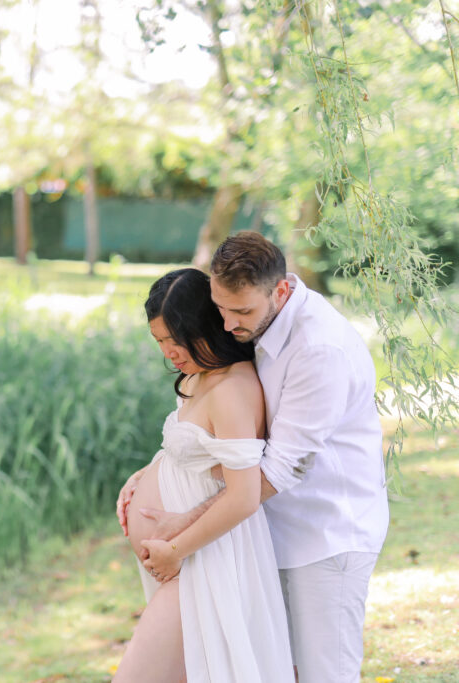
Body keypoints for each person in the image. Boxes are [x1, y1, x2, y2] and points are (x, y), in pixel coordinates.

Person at [119, 232, 389, 683]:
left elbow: (278, 469)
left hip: (325, 534)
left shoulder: (318, 349)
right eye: (220, 308)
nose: (226, 324)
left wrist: (182, 529)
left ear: (280, 290)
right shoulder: (252, 327)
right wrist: (153, 472)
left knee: (324, 673)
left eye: (240, 311)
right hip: (266, 534)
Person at [112, 267, 293, 683]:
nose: (169, 353)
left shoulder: (231, 389)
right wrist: (145, 474)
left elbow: (244, 495)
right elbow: (192, 450)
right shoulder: (199, 376)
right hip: (184, 560)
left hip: (205, 561)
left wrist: (175, 550)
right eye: (159, 341)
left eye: (177, 340)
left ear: (206, 328)